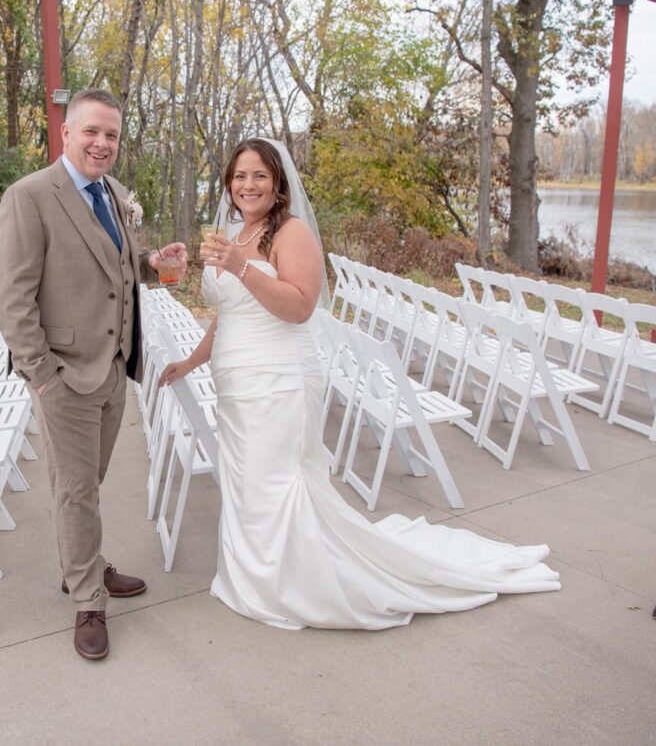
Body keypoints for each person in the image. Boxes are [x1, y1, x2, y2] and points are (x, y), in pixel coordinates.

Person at [159, 138, 560, 630]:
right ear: (228, 184)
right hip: (235, 381)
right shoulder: (232, 234)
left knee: (278, 480)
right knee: (248, 482)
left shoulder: (293, 233)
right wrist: (191, 361)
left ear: (278, 182)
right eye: (240, 176)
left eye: (259, 175)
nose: (248, 185)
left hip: (279, 377)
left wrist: (240, 268)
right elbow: (229, 314)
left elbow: (299, 306)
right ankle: (254, 578)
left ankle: (296, 586)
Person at [0, 88, 187, 659]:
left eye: (113, 136)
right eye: (92, 132)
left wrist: (152, 264)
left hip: (113, 368)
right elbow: (13, 299)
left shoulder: (116, 194)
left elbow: (115, 270)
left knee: (86, 483)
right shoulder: (29, 197)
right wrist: (42, 375)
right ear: (67, 134)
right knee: (77, 490)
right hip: (63, 375)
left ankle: (83, 562)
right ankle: (87, 600)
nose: (103, 144)